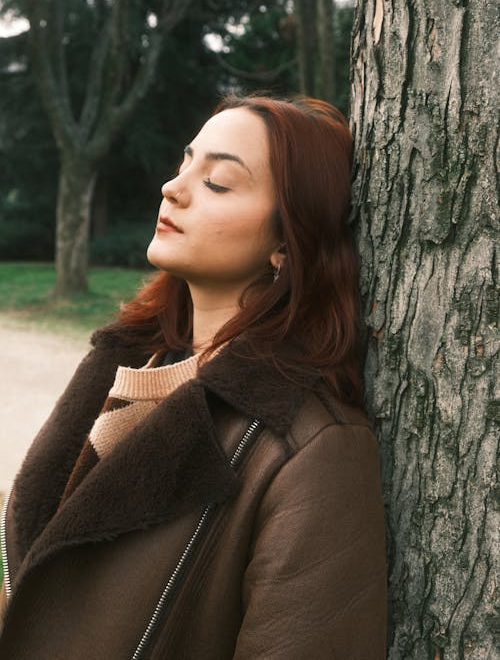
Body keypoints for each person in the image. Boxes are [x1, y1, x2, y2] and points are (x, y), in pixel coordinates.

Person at [0, 94, 387, 659]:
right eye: (185, 163)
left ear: (286, 242)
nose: (173, 187)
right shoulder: (127, 366)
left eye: (219, 183)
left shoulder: (313, 448)